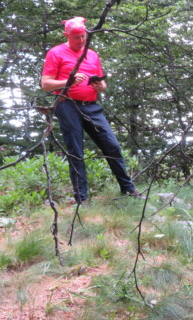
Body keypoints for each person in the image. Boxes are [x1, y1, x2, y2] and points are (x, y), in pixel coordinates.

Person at [41, 17, 142, 205]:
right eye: (76, 37)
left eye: (83, 36)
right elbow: (46, 84)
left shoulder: (92, 54)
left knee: (112, 145)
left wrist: (100, 86)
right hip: (67, 104)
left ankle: (128, 189)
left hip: (91, 106)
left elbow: (103, 84)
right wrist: (68, 81)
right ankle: (82, 199)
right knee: (76, 151)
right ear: (66, 35)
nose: (81, 40)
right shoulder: (56, 53)